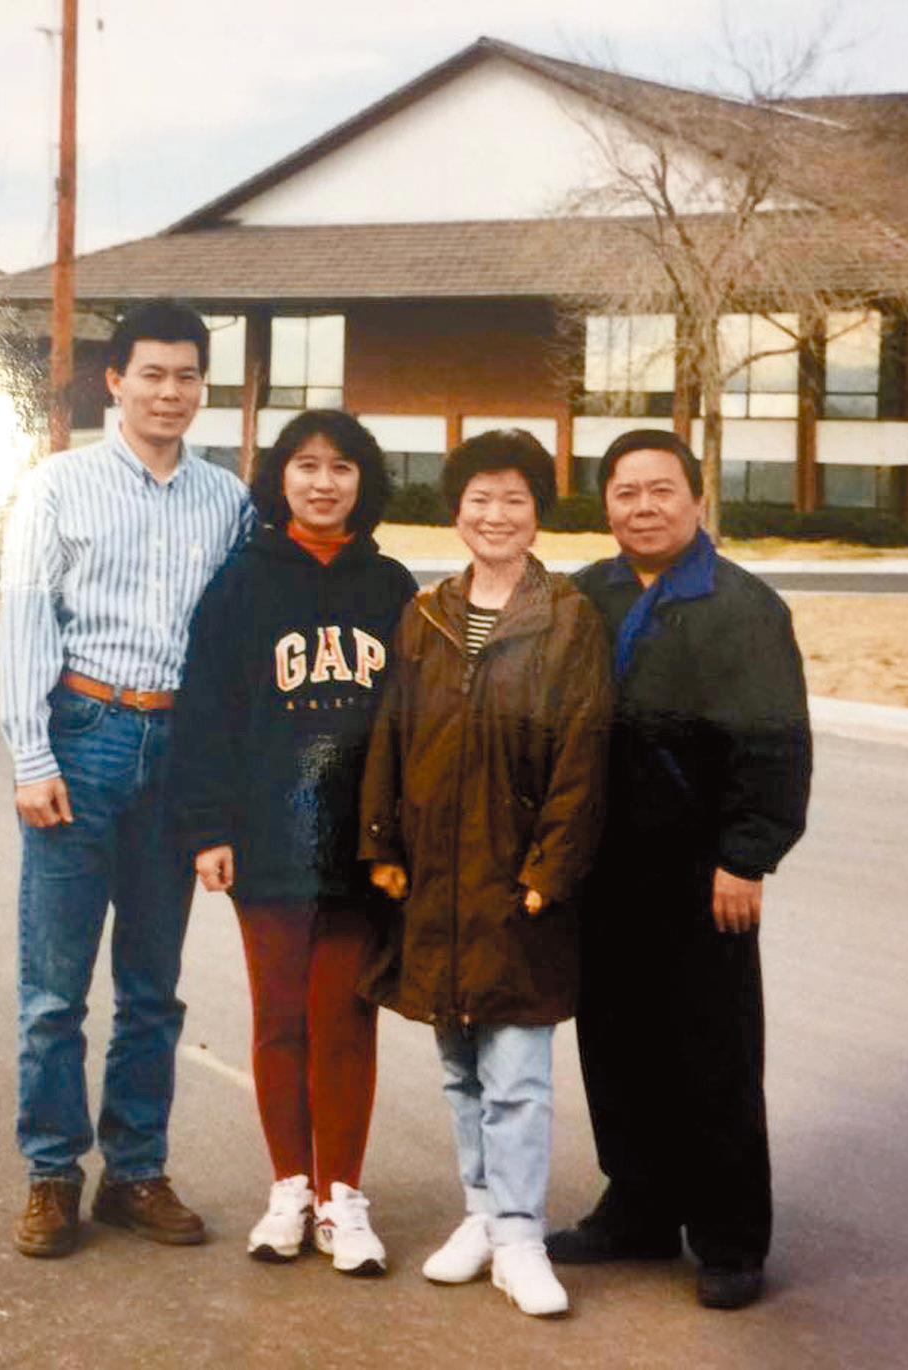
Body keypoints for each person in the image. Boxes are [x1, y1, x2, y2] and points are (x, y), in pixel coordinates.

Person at [0, 300, 253, 1258]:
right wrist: (32, 755)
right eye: (152, 374)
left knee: (154, 988)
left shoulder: (224, 500)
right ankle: (52, 1176)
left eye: (187, 376)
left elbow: (232, 642)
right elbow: (26, 621)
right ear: (114, 381)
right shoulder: (58, 487)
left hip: (176, 748)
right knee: (54, 990)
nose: (171, 393)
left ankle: (135, 1171)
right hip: (82, 737)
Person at [546, 430, 812, 1311]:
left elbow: (773, 746)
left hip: (703, 874)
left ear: (696, 499)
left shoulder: (742, 608)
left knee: (712, 1053)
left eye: (661, 490)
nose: (643, 507)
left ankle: (730, 1237)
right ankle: (639, 1211)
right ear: (606, 503)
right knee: (616, 1046)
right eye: (625, 492)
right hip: (603, 867)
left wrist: (747, 856)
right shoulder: (585, 597)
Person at [358, 430, 610, 1318]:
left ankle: (521, 1235)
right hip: (435, 876)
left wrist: (551, 867)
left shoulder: (568, 617)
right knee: (458, 1060)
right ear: (454, 508)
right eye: (478, 498)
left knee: (517, 1074)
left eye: (513, 499)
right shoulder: (426, 615)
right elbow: (390, 735)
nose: (494, 516)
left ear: (537, 510)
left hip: (516, 880)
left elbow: (583, 751)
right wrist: (382, 846)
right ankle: (479, 1215)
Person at [170, 411, 416, 1275]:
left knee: (344, 1016)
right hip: (268, 842)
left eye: (341, 467)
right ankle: (289, 1187)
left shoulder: (389, 587)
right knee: (280, 1016)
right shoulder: (241, 585)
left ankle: (342, 1196)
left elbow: (415, 724)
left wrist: (401, 839)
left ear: (363, 481)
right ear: (280, 478)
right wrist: (207, 827)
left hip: (357, 846)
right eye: (305, 465)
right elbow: (204, 712)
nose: (322, 482)